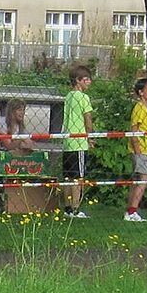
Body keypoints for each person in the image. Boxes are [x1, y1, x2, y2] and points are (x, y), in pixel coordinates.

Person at [59, 65, 94, 217]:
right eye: (86, 79)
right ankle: (75, 208)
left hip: (68, 141)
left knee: (68, 176)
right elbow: (88, 118)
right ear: (78, 81)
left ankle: (67, 207)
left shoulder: (68, 96)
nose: (89, 82)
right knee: (78, 177)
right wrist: (90, 137)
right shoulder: (83, 98)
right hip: (79, 141)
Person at [125, 77, 147, 222]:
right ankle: (132, 211)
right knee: (144, 179)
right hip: (140, 151)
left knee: (138, 180)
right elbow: (134, 131)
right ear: (141, 92)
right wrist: (138, 151)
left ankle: (130, 210)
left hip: (145, 150)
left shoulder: (145, 109)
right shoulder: (138, 109)